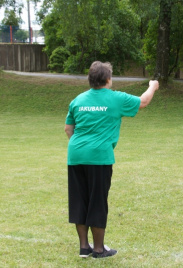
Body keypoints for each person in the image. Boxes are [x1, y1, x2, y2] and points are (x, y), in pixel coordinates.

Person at [65, 61, 159, 259]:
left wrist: (81, 147)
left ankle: (84, 247)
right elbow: (143, 102)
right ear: (107, 79)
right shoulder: (116, 98)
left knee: (79, 200)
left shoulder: (78, 100)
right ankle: (98, 249)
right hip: (99, 157)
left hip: (75, 156)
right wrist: (153, 86)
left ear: (90, 79)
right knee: (97, 201)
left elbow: (68, 129)